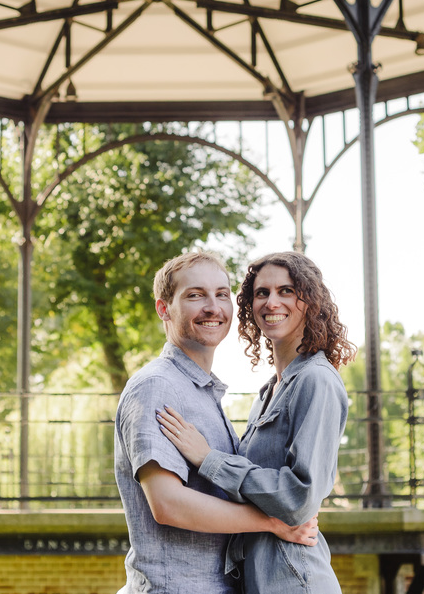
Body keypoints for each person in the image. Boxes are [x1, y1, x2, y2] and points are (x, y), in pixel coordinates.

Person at [114, 251, 319, 594]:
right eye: (195, 295)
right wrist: (272, 523)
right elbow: (167, 504)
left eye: (221, 294)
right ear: (164, 309)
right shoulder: (157, 386)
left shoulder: (203, 392)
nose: (213, 307)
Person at [157, 251, 356, 594]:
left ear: (310, 301)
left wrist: (209, 459)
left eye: (287, 291)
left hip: (295, 581)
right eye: (261, 293)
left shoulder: (317, 380)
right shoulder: (269, 391)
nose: (271, 302)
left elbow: (300, 498)